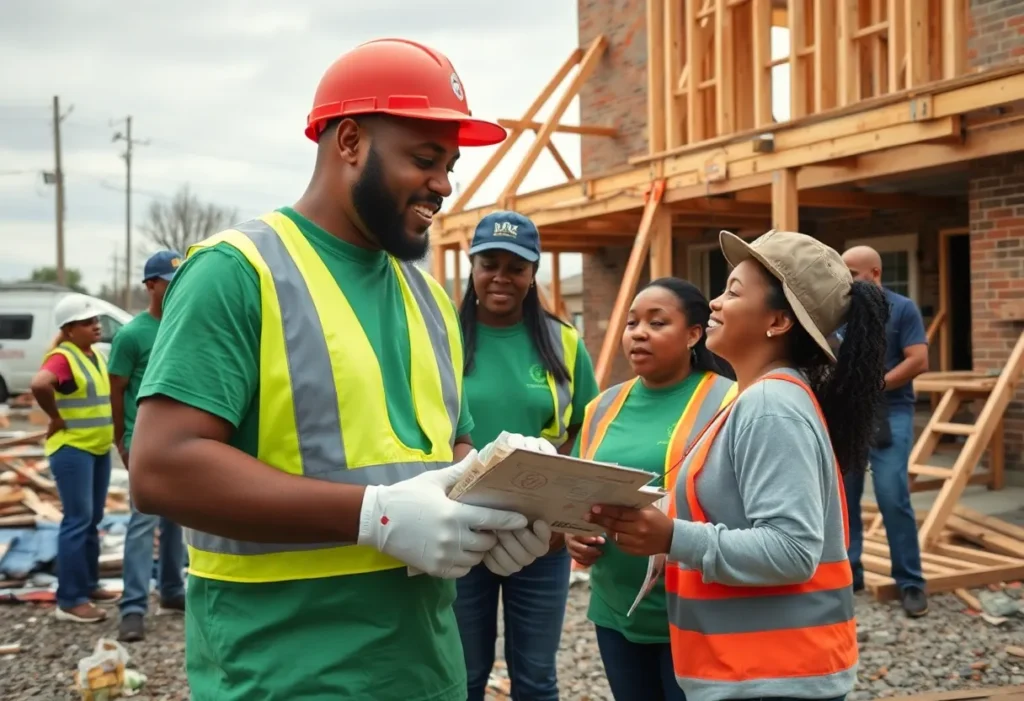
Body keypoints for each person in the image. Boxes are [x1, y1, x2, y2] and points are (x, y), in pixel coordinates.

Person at [127, 38, 553, 701]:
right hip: (282, 675)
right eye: (424, 159)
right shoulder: (237, 272)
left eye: (450, 164)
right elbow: (162, 466)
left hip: (422, 670)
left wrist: (504, 498)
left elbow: (448, 449)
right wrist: (376, 516)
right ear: (349, 141)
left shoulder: (427, 298)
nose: (444, 183)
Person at [588, 230, 890, 701]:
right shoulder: (758, 398)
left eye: (732, 291)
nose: (713, 303)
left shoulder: (771, 405)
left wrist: (671, 536)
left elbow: (793, 549)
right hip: (758, 671)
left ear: (778, 320)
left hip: (775, 676)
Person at [453, 210, 600, 701]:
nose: (501, 276)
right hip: (459, 528)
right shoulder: (442, 340)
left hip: (541, 536)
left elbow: (587, 429)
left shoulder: (564, 343)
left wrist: (566, 518)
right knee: (463, 675)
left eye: (516, 266)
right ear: (471, 266)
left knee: (536, 680)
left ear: (533, 272)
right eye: (489, 262)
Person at [564, 277, 735, 701]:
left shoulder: (732, 401)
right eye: (632, 322)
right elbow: (585, 497)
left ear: (695, 334)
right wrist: (575, 535)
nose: (638, 332)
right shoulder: (601, 407)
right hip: (615, 611)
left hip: (697, 614)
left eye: (657, 323)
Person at [841, 244, 929, 617]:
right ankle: (850, 574)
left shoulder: (903, 308)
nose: (844, 281)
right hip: (848, 412)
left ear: (873, 273)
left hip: (890, 410)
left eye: (851, 274)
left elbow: (918, 360)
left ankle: (910, 582)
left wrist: (874, 384)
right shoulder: (839, 312)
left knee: (892, 495)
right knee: (845, 497)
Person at [108, 251, 188, 642]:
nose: (176, 292)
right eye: (168, 285)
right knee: (143, 524)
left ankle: (172, 591)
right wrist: (121, 439)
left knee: (177, 520)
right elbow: (117, 389)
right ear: (151, 285)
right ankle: (134, 607)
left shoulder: (184, 326)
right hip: (143, 443)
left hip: (181, 443)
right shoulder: (132, 335)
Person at [30, 294, 119, 623]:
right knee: (77, 522)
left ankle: (89, 584)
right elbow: (39, 383)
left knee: (92, 520)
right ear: (68, 330)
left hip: (96, 449)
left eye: (96, 321)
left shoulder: (93, 355)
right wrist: (54, 417)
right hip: (73, 451)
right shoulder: (63, 358)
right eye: (87, 323)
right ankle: (69, 600)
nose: (96, 326)